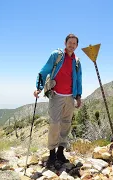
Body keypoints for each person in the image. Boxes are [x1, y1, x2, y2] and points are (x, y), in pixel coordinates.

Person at [33, 33, 82, 168]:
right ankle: (52, 154)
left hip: (70, 97)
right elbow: (44, 71)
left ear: (77, 46)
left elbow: (78, 79)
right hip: (56, 95)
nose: (72, 45)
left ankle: (60, 152)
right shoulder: (57, 55)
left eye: (74, 43)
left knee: (66, 124)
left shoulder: (77, 61)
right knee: (54, 124)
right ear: (65, 43)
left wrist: (78, 96)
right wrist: (39, 87)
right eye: (70, 43)